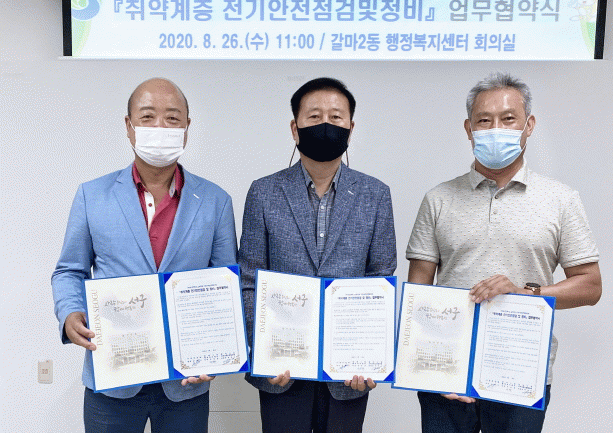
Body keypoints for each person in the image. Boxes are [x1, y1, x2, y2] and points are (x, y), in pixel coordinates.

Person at [406, 72, 602, 433]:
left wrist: (527, 293)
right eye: (484, 120)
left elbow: (590, 286)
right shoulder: (438, 199)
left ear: (529, 125)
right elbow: (417, 293)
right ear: (469, 129)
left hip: (521, 373)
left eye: (508, 118)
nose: (496, 129)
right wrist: (428, 367)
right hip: (447, 374)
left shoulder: (561, 200)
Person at [51, 78, 237, 433]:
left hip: (186, 381)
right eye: (148, 117)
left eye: (172, 118)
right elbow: (69, 270)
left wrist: (218, 350)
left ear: (187, 128)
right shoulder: (93, 195)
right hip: (113, 378)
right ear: (129, 126)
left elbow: (225, 285)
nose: (160, 127)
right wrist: (70, 312)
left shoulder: (216, 201)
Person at [239, 77, 397, 433]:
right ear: (294, 129)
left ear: (350, 129)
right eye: (314, 116)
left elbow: (380, 279)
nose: (325, 124)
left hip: (349, 373)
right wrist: (261, 353)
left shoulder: (375, 194)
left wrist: (370, 357)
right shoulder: (264, 192)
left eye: (336, 117)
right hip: (281, 369)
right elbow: (249, 281)